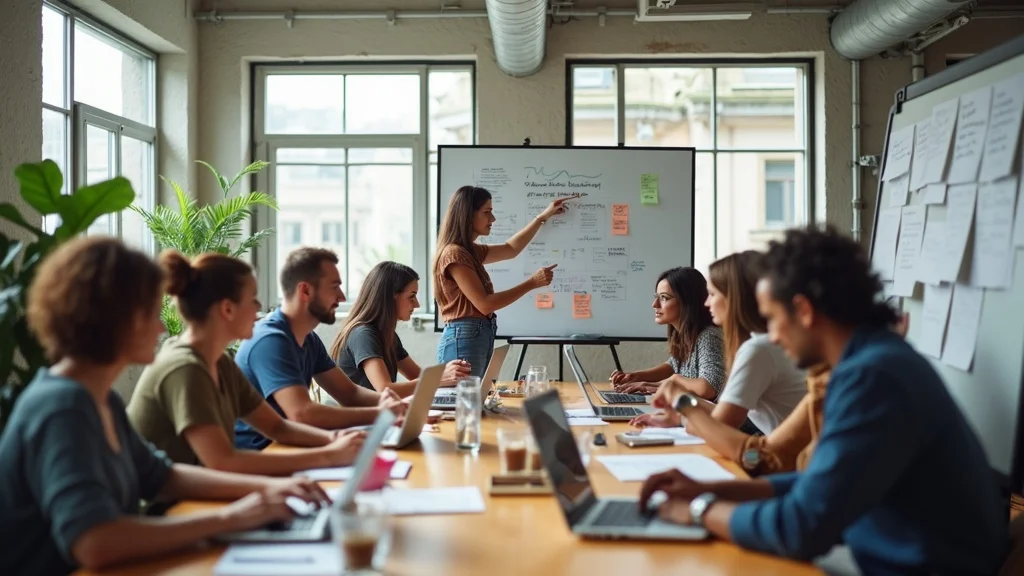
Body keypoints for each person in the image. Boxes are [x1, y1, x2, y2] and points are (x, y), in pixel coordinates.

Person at [640, 227, 1006, 575]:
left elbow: (799, 527)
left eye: (772, 318)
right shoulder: (869, 362)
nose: (773, 336)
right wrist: (710, 489)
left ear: (803, 311)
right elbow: (816, 484)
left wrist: (699, 509)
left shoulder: (872, 379)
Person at [0, 237, 329, 575]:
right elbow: (94, 542)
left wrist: (273, 490)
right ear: (117, 318)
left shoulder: (102, 400)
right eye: (153, 314)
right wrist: (230, 518)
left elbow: (164, 476)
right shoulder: (62, 408)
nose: (161, 327)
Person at [128, 250, 366, 475]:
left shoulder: (220, 362)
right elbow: (223, 462)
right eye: (252, 298)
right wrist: (327, 456)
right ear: (228, 309)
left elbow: (277, 428)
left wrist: (337, 441)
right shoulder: (185, 368)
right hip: (169, 507)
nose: (259, 307)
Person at [233, 247, 407, 451]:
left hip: (293, 445)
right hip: (263, 454)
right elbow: (302, 414)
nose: (342, 297)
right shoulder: (270, 340)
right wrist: (382, 413)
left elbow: (350, 394)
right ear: (305, 290)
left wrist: (397, 405)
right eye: (335, 287)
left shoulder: (309, 338)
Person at [632, 251, 806, 436]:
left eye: (713, 294)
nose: (706, 303)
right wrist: (677, 417)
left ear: (734, 299)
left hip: (778, 457)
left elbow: (719, 428)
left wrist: (682, 401)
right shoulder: (754, 344)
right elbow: (720, 413)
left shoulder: (757, 349)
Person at [434, 185, 570, 378]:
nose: (493, 219)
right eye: (487, 212)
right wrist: (532, 283)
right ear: (467, 215)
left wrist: (543, 216)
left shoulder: (470, 251)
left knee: (472, 401)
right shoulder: (454, 254)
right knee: (462, 403)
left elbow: (511, 249)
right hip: (465, 337)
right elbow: (485, 304)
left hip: (476, 335)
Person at [328, 261, 471, 397]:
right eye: (412, 296)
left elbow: (416, 375)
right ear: (391, 297)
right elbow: (385, 389)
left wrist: (446, 373)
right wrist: (438, 379)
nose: (417, 305)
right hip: (364, 420)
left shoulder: (386, 334)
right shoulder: (363, 334)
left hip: (379, 415)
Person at [609, 267, 726, 400]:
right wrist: (636, 376)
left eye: (664, 298)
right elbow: (672, 365)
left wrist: (672, 381)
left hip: (705, 418)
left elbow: (707, 388)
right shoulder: (684, 335)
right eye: (656, 297)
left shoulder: (708, 337)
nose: (655, 304)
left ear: (687, 301)